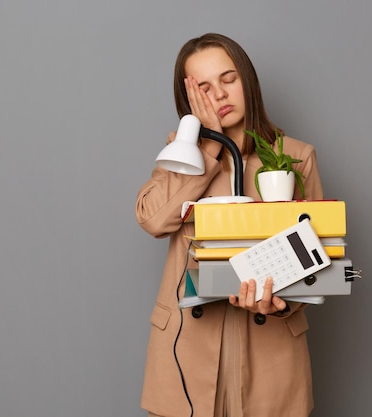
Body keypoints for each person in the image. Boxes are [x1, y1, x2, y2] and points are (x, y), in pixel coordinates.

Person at [136, 33, 324, 417]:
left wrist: (281, 303)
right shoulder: (181, 155)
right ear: (189, 101)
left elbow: (317, 261)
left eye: (228, 79)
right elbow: (154, 218)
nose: (219, 95)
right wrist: (208, 147)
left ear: (248, 82)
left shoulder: (295, 157)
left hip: (270, 359)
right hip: (186, 354)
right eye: (203, 88)